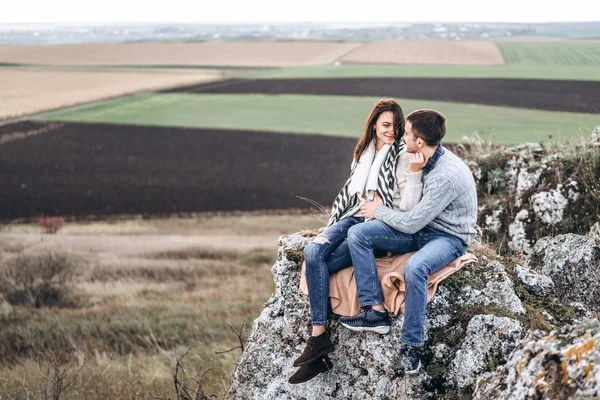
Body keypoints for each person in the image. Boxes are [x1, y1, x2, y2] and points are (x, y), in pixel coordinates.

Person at [289, 99, 427, 384]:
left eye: (396, 127)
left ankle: (317, 340)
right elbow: (352, 194)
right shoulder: (363, 152)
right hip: (351, 215)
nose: (391, 131)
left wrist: (382, 207)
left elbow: (410, 206)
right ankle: (319, 341)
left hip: (376, 223)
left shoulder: (402, 155)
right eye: (386, 125)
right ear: (374, 123)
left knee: (325, 262)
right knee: (314, 252)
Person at [338, 109, 477, 377]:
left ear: (420, 142)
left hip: (448, 236)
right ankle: (373, 311)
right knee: (359, 235)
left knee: (415, 268)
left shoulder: (445, 176)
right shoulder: (421, 158)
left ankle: (411, 348)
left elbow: (412, 222)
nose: (402, 137)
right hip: (423, 228)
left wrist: (378, 211)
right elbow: (411, 212)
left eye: (407, 134)